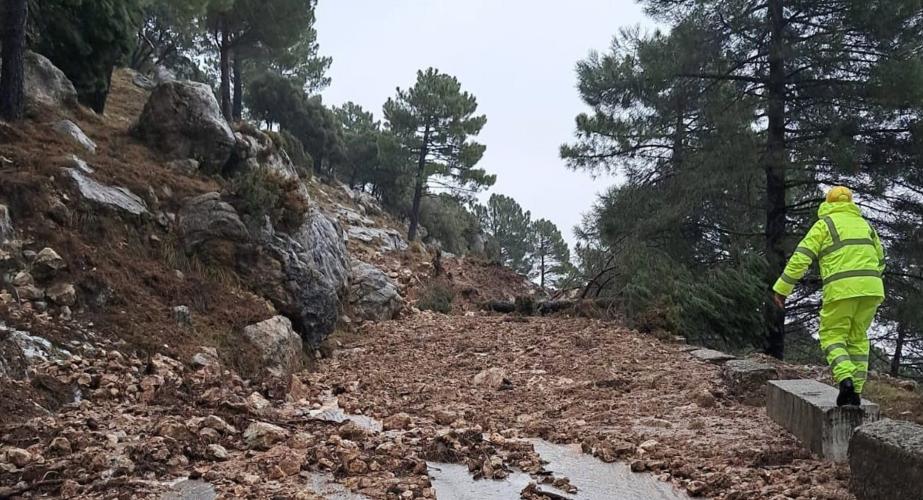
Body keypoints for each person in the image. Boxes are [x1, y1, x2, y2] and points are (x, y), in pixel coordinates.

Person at [772, 186, 886, 406]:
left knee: (832, 335)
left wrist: (783, 288)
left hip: (841, 290)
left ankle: (845, 380)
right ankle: (855, 393)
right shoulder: (866, 226)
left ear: (828, 203)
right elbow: (881, 260)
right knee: (858, 338)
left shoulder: (824, 225)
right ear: (850, 203)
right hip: (872, 289)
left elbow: (801, 258)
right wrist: (867, 281)